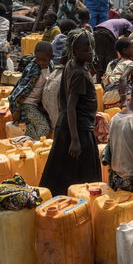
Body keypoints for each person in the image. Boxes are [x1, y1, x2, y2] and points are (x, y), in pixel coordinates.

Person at [39, 29, 101, 195]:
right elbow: (72, 106)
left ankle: (58, 198)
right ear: (73, 51)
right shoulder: (79, 73)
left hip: (68, 125)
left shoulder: (71, 65)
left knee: (62, 171)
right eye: (85, 50)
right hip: (77, 129)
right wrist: (75, 140)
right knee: (84, 175)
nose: (90, 52)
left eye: (91, 48)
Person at [9, 41, 55, 139]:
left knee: (52, 125)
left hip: (39, 103)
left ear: (51, 57)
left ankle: (28, 131)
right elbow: (21, 91)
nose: (40, 62)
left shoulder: (51, 66)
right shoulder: (33, 70)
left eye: (44, 60)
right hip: (27, 103)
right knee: (43, 128)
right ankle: (25, 139)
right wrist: (16, 110)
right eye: (38, 59)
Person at [102, 38, 133, 109]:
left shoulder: (111, 63)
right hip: (119, 97)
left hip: (107, 98)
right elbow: (122, 79)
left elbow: (103, 81)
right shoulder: (130, 63)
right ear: (125, 51)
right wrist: (123, 100)